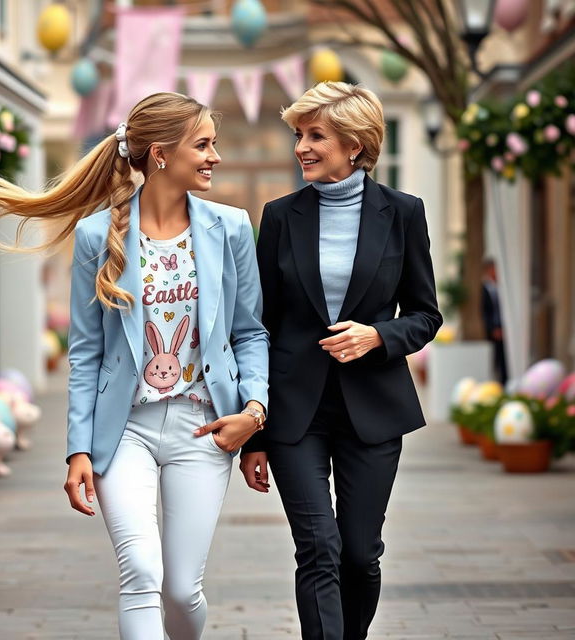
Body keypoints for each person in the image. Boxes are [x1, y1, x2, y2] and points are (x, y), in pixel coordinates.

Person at [0, 92, 269, 640]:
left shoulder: (230, 228)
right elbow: (85, 354)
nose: (214, 157)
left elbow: (250, 332)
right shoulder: (95, 236)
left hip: (206, 429)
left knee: (181, 589)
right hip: (123, 430)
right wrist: (78, 448)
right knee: (142, 574)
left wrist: (255, 413)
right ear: (160, 154)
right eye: (202, 145)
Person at [240, 82, 443, 640]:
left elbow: (426, 314)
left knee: (359, 555)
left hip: (374, 410)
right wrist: (255, 430)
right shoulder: (280, 216)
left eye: (315, 136)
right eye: (298, 136)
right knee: (318, 549)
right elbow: (260, 324)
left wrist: (378, 336)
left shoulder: (403, 213)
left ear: (355, 145)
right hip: (293, 412)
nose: (301, 147)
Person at [481, 257, 508, 384]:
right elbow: (485, 312)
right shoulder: (485, 288)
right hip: (494, 329)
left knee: (505, 357)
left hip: (504, 327)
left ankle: (504, 380)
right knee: (496, 357)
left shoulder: (502, 287)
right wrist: (492, 329)